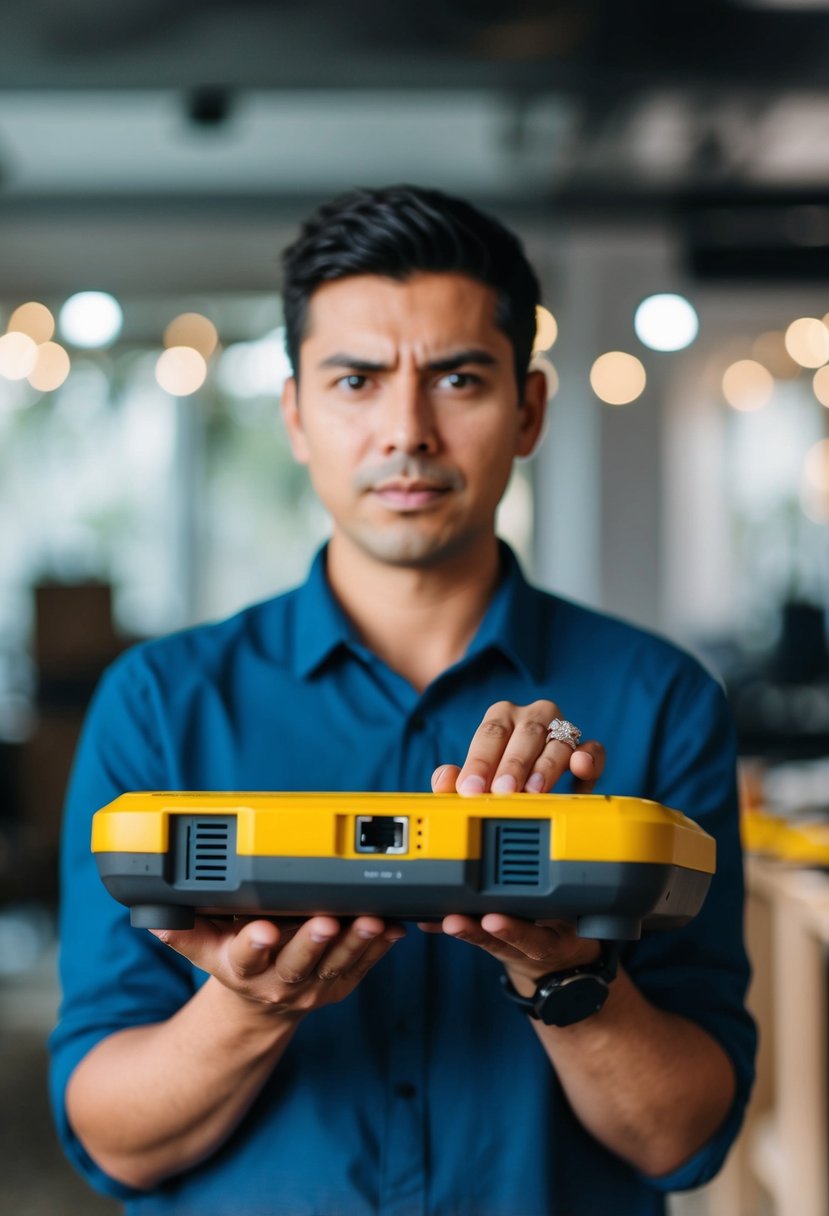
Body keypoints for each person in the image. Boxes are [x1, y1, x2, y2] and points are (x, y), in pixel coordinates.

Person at [49, 184, 756, 1216]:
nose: (407, 429)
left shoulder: (660, 701)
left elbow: (681, 1140)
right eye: (356, 379)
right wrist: (247, 1007)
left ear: (528, 410)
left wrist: (567, 971)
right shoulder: (158, 702)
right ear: (295, 413)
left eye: (457, 377)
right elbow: (110, 1144)